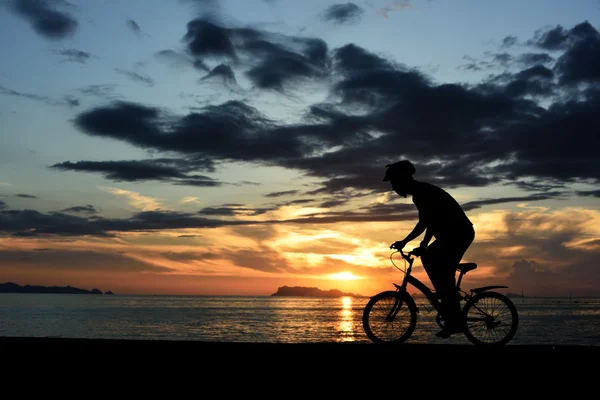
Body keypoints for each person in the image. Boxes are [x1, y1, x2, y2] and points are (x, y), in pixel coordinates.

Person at [383, 160, 475, 338]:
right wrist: (422, 245)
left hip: (458, 234)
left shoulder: (422, 193)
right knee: (430, 260)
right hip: (451, 234)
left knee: (438, 269)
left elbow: (425, 223)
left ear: (402, 180)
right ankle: (450, 304)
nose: (393, 188)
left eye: (394, 183)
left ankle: (452, 315)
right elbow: (431, 222)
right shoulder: (421, 192)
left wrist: (406, 242)